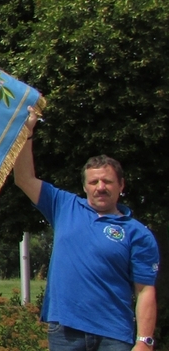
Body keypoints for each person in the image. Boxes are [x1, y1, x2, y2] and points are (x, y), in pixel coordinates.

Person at [13, 106, 159, 350]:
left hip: (113, 336)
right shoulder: (63, 205)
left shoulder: (137, 233)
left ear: (121, 185)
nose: (100, 187)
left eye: (107, 181)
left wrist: (145, 341)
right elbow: (24, 178)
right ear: (85, 187)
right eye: (94, 182)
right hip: (65, 332)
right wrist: (27, 132)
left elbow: (145, 291)